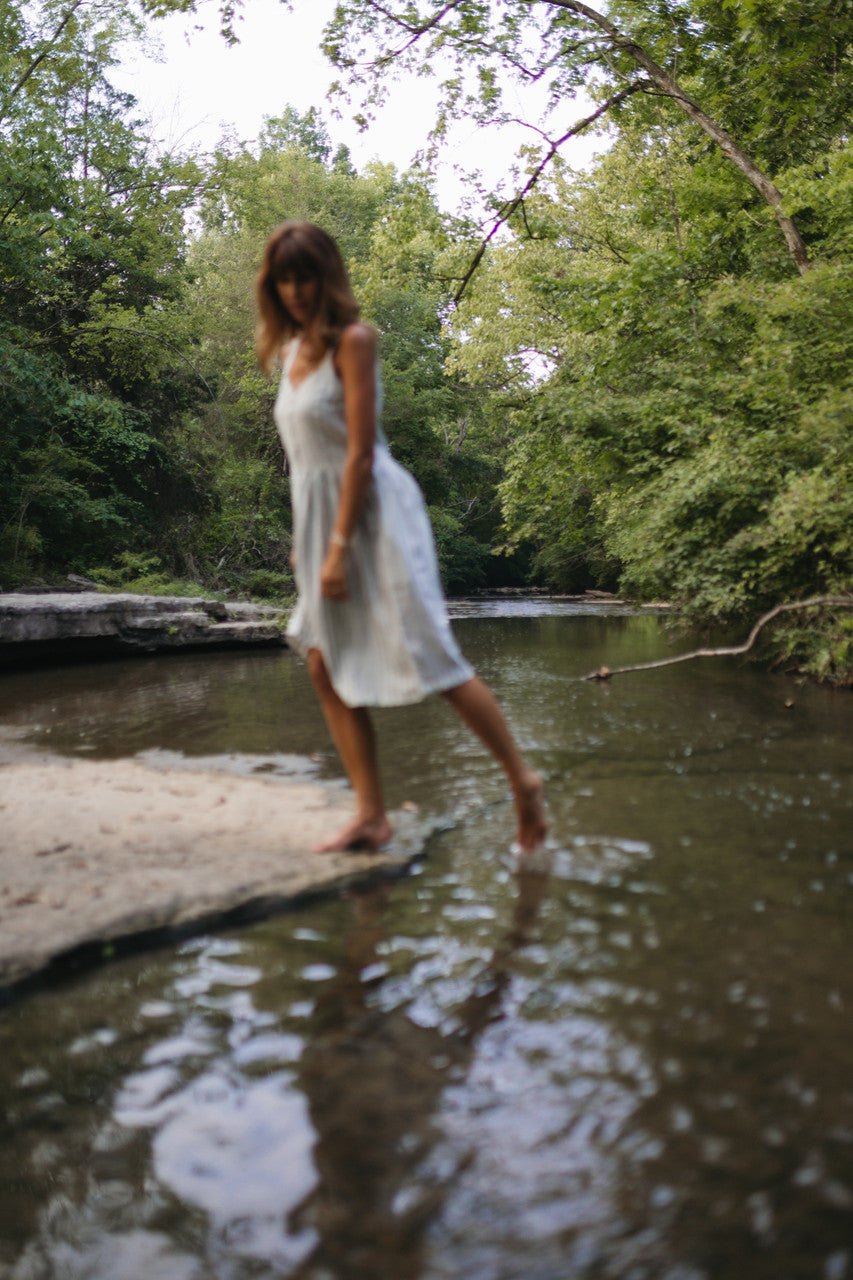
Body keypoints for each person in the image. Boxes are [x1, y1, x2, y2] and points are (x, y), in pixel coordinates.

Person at [255, 221, 546, 856]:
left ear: (327, 277)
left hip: (376, 515)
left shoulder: (353, 342)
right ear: (272, 285)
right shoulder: (287, 351)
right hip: (323, 518)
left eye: (306, 275)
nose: (296, 289)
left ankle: (524, 783)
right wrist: (309, 540)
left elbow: (358, 455)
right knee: (321, 659)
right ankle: (371, 816)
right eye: (285, 277)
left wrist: (335, 548)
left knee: (430, 654)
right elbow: (309, 462)